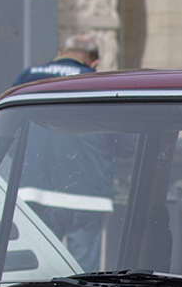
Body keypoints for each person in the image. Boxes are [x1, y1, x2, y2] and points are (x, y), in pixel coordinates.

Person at [12, 34, 112, 271]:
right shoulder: (98, 81)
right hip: (89, 196)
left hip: (36, 193)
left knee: (41, 271)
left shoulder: (29, 77)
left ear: (60, 53)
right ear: (94, 62)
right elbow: (124, 140)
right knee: (83, 278)